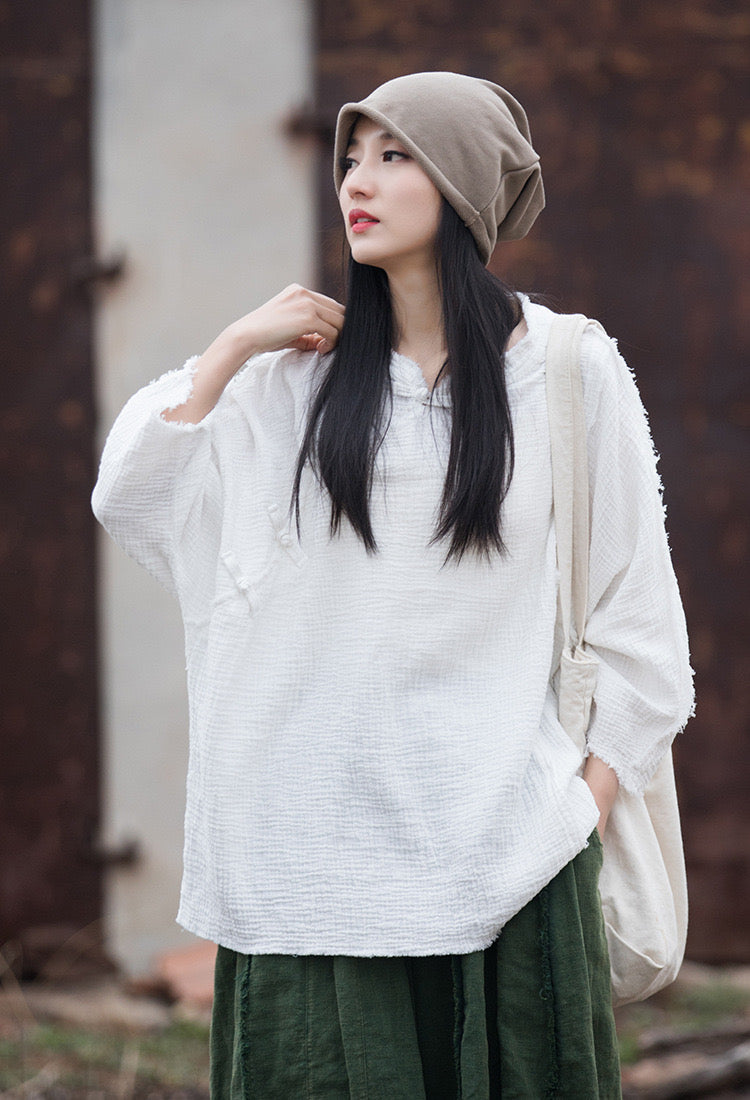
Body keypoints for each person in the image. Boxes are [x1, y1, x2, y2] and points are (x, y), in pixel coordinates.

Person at [92, 72, 693, 1098]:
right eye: (350, 159)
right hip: (311, 874)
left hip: (510, 864)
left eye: (393, 155)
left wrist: (573, 812)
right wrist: (232, 347)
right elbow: (134, 495)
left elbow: (641, 630)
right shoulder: (293, 379)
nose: (356, 184)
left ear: (461, 187)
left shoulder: (567, 369)